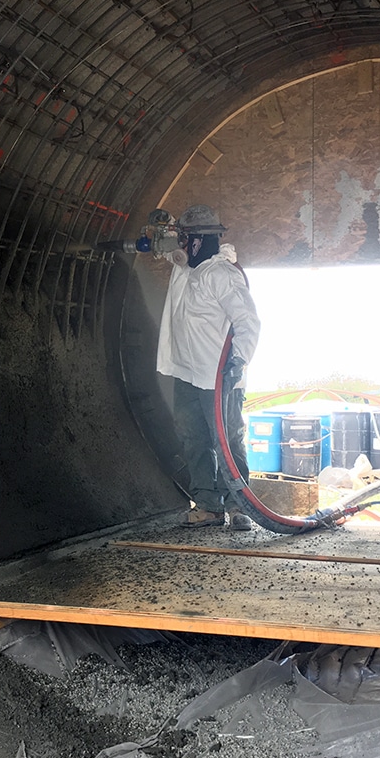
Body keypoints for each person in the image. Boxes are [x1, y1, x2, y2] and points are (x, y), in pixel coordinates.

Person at [156, 204, 261, 530]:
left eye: (186, 239)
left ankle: (238, 505)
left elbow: (248, 323)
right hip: (187, 374)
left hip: (219, 378)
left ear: (199, 241)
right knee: (193, 438)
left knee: (227, 440)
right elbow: (166, 250)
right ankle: (208, 505)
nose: (182, 246)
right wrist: (162, 231)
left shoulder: (221, 274)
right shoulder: (187, 269)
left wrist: (238, 361)